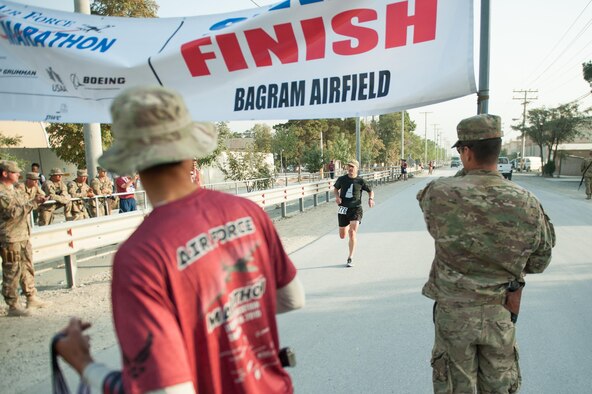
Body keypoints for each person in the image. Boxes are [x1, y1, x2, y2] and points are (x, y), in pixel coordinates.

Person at [55, 86, 305, 393]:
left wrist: (84, 364)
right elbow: (292, 298)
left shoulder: (140, 256)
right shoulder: (249, 212)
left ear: (134, 163)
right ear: (189, 155)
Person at [416, 114, 556, 393]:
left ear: (465, 152)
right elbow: (540, 261)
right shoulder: (526, 201)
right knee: (500, 387)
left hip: (454, 314)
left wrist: (466, 172)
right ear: (498, 149)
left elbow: (427, 202)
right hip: (500, 312)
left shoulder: (439, 193)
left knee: (455, 387)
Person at [0, 161, 48, 317]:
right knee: (12, 271)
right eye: (14, 172)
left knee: (27, 267)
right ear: (5, 173)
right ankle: (12, 305)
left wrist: (37, 201)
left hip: (23, 235)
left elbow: (25, 205)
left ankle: (31, 296)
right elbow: (12, 213)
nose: (18, 175)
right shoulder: (2, 192)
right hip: (10, 238)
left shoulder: (15, 190)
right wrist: (33, 203)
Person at [333, 159, 374, 267]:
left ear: (357, 168)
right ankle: (346, 226)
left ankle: (350, 257)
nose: (350, 168)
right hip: (343, 208)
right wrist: (337, 197)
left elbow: (370, 190)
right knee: (342, 235)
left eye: (352, 166)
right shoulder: (342, 179)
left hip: (356, 209)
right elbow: (335, 189)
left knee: (352, 233)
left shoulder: (360, 181)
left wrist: (370, 199)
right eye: (349, 166)